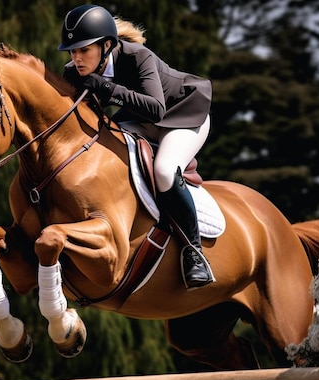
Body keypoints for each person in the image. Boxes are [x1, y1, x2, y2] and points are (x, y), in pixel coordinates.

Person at [58, 4, 215, 290]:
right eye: (72, 51)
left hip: (183, 115)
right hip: (136, 119)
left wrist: (104, 88)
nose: (76, 59)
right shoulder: (75, 72)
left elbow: (156, 109)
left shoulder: (138, 57)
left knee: (165, 170)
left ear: (107, 46)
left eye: (84, 50)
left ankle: (194, 253)